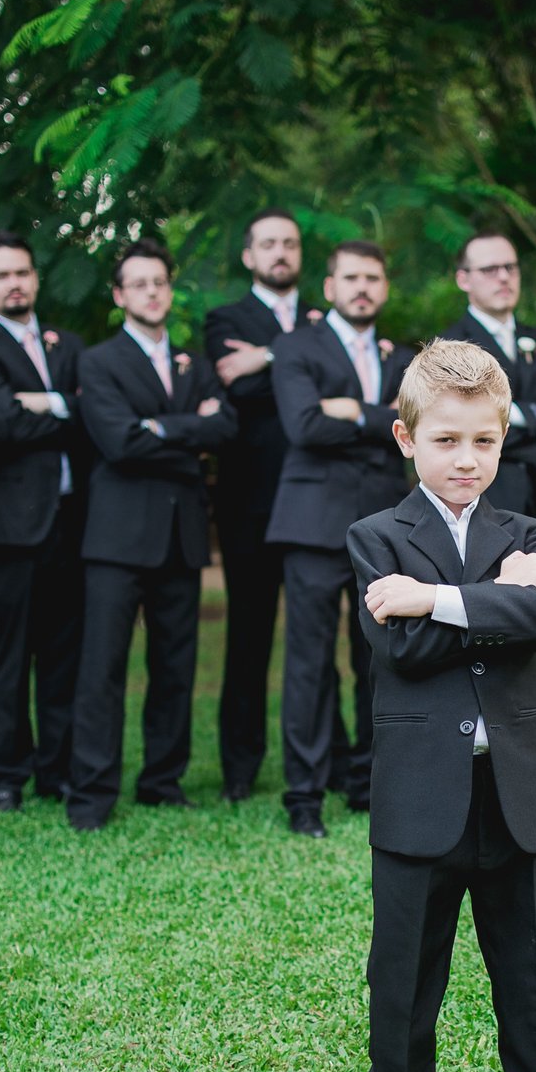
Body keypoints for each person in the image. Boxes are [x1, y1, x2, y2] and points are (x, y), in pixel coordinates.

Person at [345, 337, 536, 1072]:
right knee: (404, 983)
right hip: (420, 800)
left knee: (529, 983)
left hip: (512, 795)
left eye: (483, 441)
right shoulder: (376, 535)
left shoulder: (523, 531)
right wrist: (495, 600)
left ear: (502, 439)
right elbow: (402, 646)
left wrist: (435, 596)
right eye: (447, 440)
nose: (467, 459)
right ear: (406, 437)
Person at [67, 240, 237, 829]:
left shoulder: (193, 361)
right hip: (116, 540)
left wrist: (161, 429)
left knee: (175, 666)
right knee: (103, 668)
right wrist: (189, 436)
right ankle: (92, 793)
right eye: (138, 284)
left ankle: (162, 781)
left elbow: (227, 428)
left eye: (160, 281)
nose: (152, 291)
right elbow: (117, 442)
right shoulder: (97, 361)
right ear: (119, 296)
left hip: (181, 536)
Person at [265, 240, 414, 838]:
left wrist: (350, 410)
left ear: (383, 287)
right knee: (308, 662)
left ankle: (369, 783)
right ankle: (303, 796)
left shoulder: (403, 356)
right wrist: (376, 416)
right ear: (328, 287)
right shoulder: (295, 346)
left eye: (373, 278)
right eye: (351, 277)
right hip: (310, 524)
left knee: (378, 660)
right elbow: (302, 424)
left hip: (383, 528)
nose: (362, 287)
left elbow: (415, 431)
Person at [0, 230, 92, 813]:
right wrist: (61, 404)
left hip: (72, 521)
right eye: (3, 274)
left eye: (23, 272)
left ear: (35, 279)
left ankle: (55, 769)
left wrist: (41, 402)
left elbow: (91, 417)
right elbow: (1, 425)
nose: (15, 283)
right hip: (10, 526)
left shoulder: (69, 345)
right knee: (10, 655)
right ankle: (7, 774)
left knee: (65, 653)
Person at [205, 209, 312, 803]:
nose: (280, 253)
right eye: (268, 243)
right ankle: (239, 769)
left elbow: (333, 381)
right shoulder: (225, 318)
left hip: (316, 503)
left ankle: (321, 760)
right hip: (249, 504)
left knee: (315, 641)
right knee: (248, 640)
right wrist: (295, 361)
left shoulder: (322, 318)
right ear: (248, 255)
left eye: (289, 244)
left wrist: (269, 357)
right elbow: (237, 386)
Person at [439, 232, 536, 537]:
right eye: (489, 270)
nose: (504, 277)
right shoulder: (450, 347)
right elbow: (459, 424)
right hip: (483, 497)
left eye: (511, 268)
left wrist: (515, 413)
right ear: (463, 280)